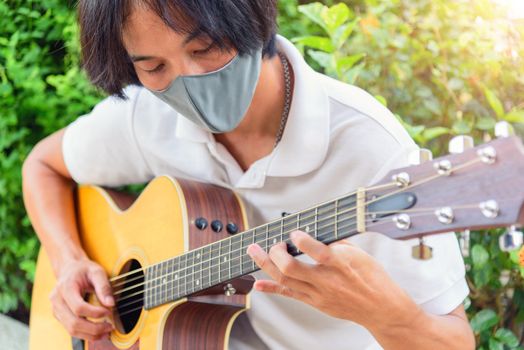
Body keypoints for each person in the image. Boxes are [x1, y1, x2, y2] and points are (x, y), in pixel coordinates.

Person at [22, 0, 475, 349]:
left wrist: (384, 314)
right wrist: (69, 262)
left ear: (251, 18)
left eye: (205, 48)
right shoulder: (147, 117)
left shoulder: (374, 151)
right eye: (153, 67)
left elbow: (456, 340)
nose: (189, 78)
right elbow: (42, 166)